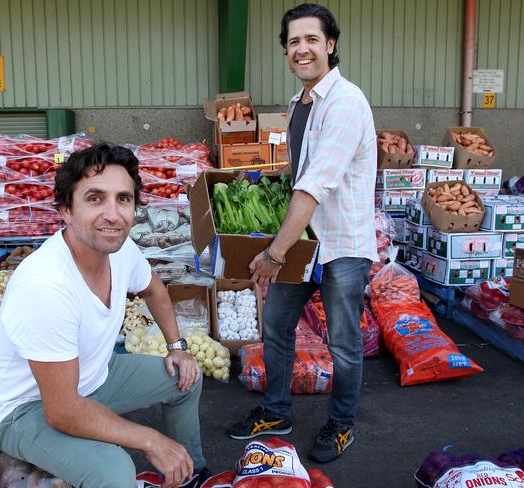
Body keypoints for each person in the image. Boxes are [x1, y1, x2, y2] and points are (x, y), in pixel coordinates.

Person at [0, 143, 209, 488]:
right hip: (26, 409)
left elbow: (155, 290)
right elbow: (62, 411)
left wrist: (177, 347)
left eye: (123, 199)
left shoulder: (121, 249)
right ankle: (166, 456)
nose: (113, 214)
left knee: (186, 377)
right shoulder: (45, 285)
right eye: (94, 198)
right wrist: (151, 439)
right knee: (115, 472)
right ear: (66, 210)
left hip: (94, 376)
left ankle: (188, 474)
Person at [227, 3, 378, 464]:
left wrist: (273, 253)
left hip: (341, 246)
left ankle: (342, 422)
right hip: (304, 241)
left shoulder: (346, 102)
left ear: (330, 45)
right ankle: (276, 412)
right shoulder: (300, 105)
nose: (302, 49)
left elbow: (316, 184)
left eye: (312, 39)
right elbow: (299, 174)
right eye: (294, 42)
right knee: (276, 325)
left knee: (343, 344)